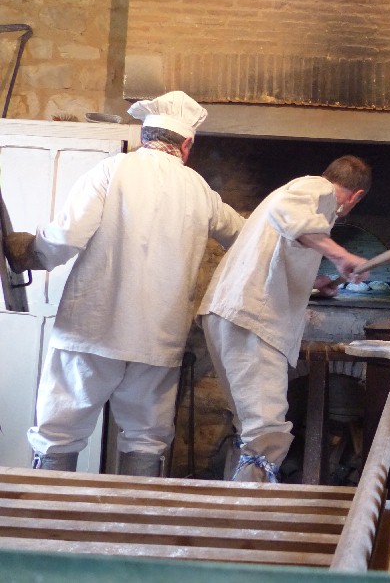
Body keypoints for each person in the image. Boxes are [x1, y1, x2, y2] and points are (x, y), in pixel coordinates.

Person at [2, 91, 244, 476]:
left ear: (147, 135)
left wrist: (32, 252)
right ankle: (131, 530)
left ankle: (46, 524)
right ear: (186, 144)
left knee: (59, 433)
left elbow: (64, 239)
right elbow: (247, 240)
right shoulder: (200, 189)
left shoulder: (111, 170)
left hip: (92, 329)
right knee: (146, 439)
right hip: (157, 339)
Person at [197, 155, 371, 482]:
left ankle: (233, 511)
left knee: (249, 426)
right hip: (253, 319)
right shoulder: (316, 189)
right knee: (267, 430)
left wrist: (315, 283)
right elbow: (289, 217)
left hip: (229, 314)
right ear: (355, 196)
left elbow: (282, 244)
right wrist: (341, 255)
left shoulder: (295, 195)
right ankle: (251, 520)